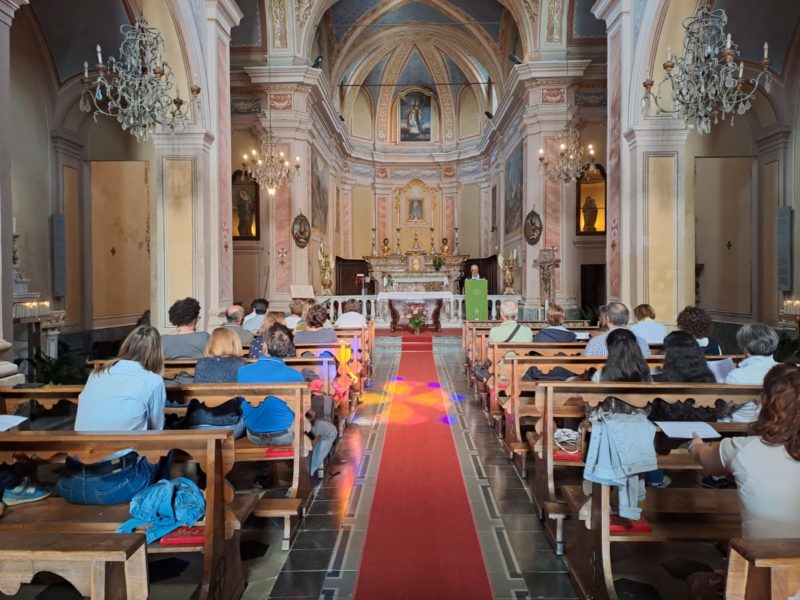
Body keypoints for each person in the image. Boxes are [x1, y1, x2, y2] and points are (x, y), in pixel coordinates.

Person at [689, 363, 800, 539]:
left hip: (762, 555)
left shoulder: (742, 448)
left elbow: (705, 460)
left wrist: (695, 444)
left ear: (763, 401)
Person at [59, 326, 168, 505]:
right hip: (117, 486)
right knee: (167, 439)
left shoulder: (97, 374)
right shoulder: (153, 380)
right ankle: (159, 496)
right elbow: (157, 430)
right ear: (157, 354)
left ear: (126, 347)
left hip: (70, 483)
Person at [237, 324, 338, 477]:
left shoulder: (243, 371)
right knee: (330, 431)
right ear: (287, 349)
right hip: (284, 434)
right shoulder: (294, 375)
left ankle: (265, 472)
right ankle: (307, 473)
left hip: (253, 433)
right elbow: (302, 409)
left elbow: (241, 403)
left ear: (264, 346)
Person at [595, 329, 669, 488]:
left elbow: (594, 405)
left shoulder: (601, 374)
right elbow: (648, 405)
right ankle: (653, 476)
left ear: (609, 348)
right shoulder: (645, 374)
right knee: (642, 429)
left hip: (609, 424)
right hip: (639, 422)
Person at [186, 328, 246, 437]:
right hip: (229, 426)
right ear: (234, 343)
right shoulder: (240, 365)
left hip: (198, 425)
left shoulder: (201, 363)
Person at [722, 323, 780, 423]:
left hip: (739, 426)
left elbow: (724, 408)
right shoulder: (785, 371)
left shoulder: (737, 375)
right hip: (776, 425)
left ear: (744, 347)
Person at [583, 302, 650, 357]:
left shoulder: (595, 343)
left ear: (607, 319)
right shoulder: (642, 343)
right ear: (627, 319)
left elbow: (586, 365)